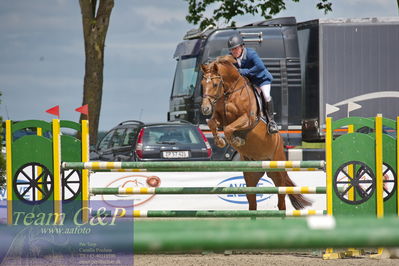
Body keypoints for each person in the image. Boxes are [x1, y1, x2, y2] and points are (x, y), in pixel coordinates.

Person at [227, 32, 278, 134]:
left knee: (266, 96)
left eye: (236, 48)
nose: (234, 51)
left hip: (262, 80)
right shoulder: (231, 57)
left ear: (242, 46)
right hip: (251, 82)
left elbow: (260, 67)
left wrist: (245, 71)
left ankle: (271, 122)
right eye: (232, 49)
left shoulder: (251, 53)